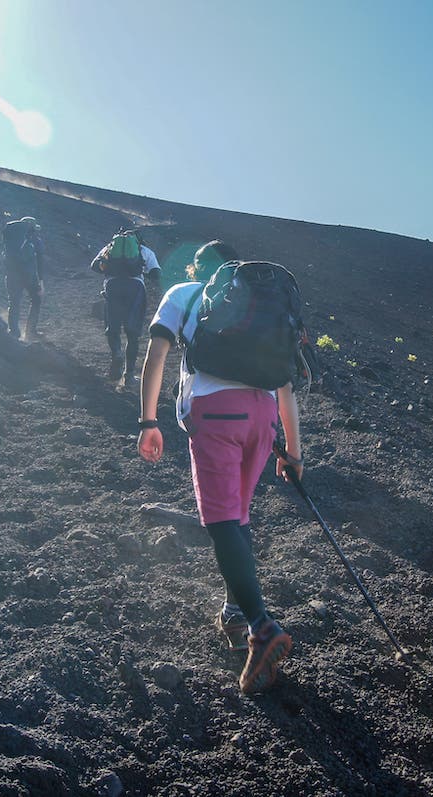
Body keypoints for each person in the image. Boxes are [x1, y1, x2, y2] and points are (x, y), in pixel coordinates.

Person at [136, 240, 303, 695]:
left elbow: (158, 356)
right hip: (263, 416)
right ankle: (233, 611)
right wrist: (292, 449)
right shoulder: (256, 303)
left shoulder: (184, 294)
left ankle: (261, 627)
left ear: (197, 267)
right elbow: (285, 380)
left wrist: (149, 420)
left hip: (216, 412)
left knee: (222, 520)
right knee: (239, 516)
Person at [90, 228, 161, 384]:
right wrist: (140, 272)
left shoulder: (109, 248)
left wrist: (111, 269)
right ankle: (129, 375)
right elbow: (156, 274)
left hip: (112, 285)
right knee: (133, 333)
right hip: (136, 287)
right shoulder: (144, 250)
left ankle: (116, 353)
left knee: (113, 327)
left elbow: (94, 266)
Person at [2, 216, 45, 341]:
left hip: (12, 275)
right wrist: (40, 280)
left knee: (14, 302)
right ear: (32, 227)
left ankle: (14, 332)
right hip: (29, 276)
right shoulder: (35, 240)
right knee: (36, 299)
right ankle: (30, 331)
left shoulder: (11, 239)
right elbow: (40, 261)